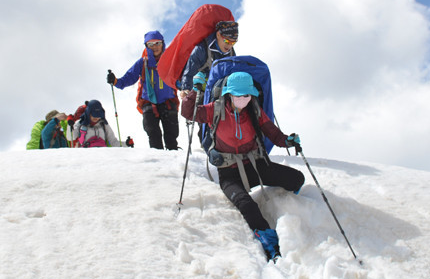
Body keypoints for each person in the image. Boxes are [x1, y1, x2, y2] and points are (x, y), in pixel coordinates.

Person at [181, 71, 303, 261]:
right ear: (229, 93)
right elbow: (188, 112)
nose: (242, 99)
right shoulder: (216, 109)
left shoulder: (254, 110)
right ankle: (268, 239)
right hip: (229, 173)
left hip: (255, 165)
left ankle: (296, 208)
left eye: (246, 95)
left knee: (296, 179)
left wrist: (287, 141)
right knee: (247, 204)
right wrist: (195, 91)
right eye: (238, 95)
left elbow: (272, 131)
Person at [108, 31, 180, 150]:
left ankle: (175, 164)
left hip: (168, 102)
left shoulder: (170, 61)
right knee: (153, 134)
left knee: (171, 136)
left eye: (157, 43)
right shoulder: (143, 63)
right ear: (146, 46)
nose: (155, 47)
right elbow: (129, 78)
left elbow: (181, 76)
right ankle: (159, 163)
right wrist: (116, 81)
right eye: (151, 44)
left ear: (163, 44)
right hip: (149, 104)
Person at [176, 20, 238, 95]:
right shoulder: (202, 49)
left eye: (233, 42)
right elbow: (189, 71)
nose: (230, 45)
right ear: (218, 35)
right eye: (227, 41)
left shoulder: (231, 53)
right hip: (201, 89)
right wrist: (186, 88)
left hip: (220, 90)